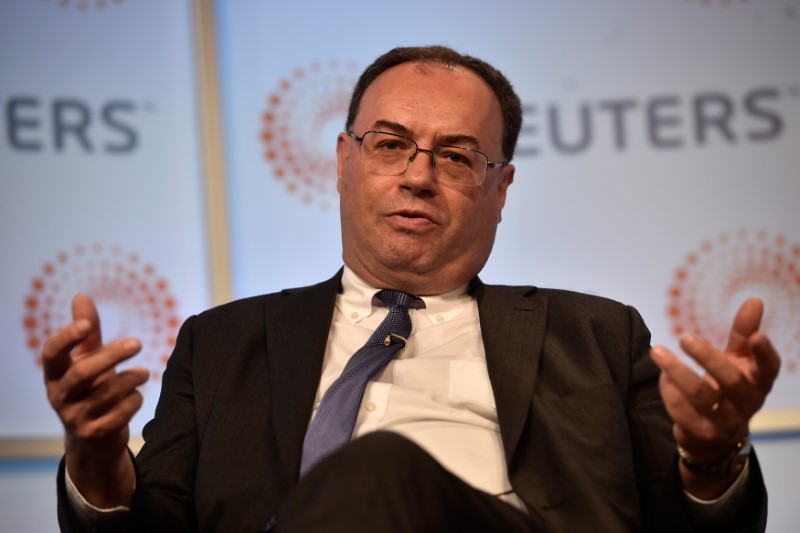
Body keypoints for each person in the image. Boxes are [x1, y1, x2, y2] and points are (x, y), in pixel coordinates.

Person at [44, 46, 780, 532]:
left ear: (501, 188)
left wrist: (713, 456)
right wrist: (96, 460)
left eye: (458, 156)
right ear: (343, 159)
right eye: (391, 144)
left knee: (378, 467)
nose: (419, 175)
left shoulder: (598, 335)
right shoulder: (222, 342)